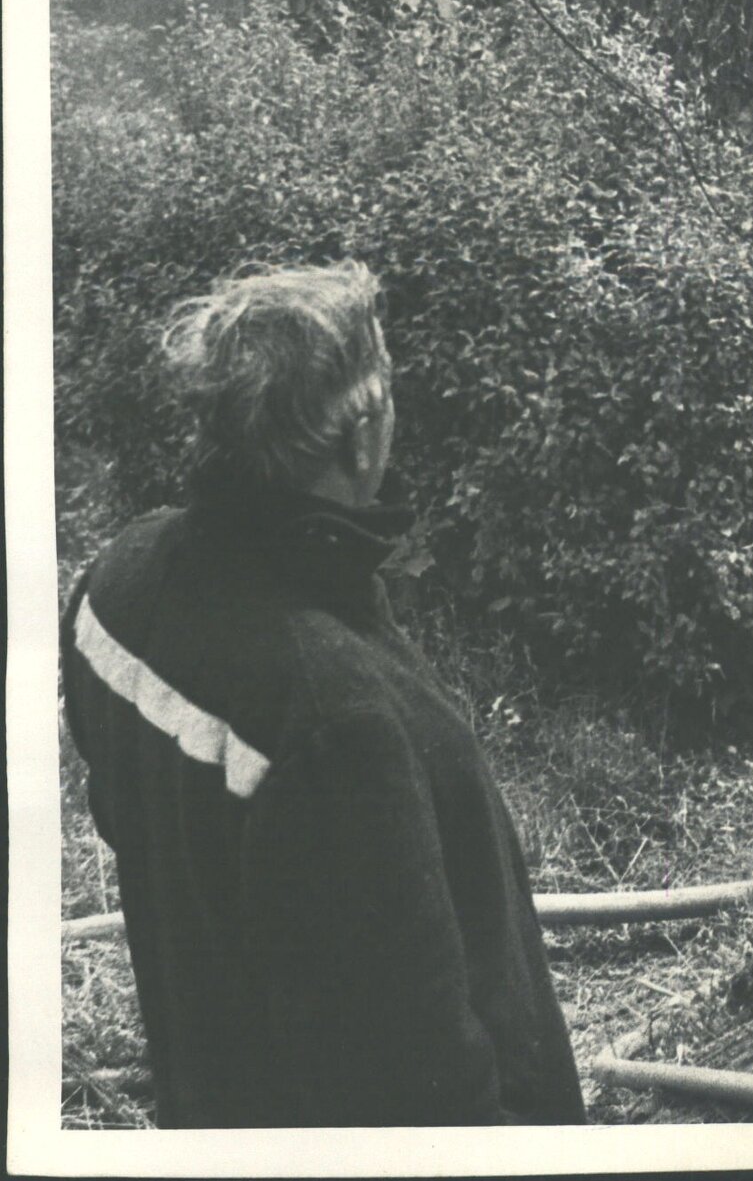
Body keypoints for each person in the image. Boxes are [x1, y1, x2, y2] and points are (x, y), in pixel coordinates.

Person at [60, 263, 584, 1128]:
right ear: (362, 434)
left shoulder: (114, 583)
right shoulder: (338, 724)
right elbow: (422, 1094)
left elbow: (137, 816)